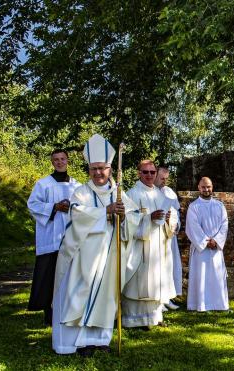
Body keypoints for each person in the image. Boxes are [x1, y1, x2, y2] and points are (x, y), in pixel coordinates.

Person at [52, 134, 140, 355]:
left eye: (102, 168)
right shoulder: (81, 192)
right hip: (85, 258)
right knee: (79, 296)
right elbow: (77, 215)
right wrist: (105, 212)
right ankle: (78, 343)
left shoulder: (119, 193)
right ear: (88, 170)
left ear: (110, 169)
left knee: (106, 298)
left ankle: (101, 341)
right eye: (94, 169)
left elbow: (134, 217)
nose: (98, 173)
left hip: (110, 256)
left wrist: (123, 215)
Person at [27, 149, 80, 326]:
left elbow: (85, 209)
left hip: (71, 238)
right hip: (50, 237)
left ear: (67, 161)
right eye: (56, 160)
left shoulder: (77, 186)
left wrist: (71, 207)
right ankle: (48, 314)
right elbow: (32, 204)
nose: (59, 162)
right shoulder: (43, 184)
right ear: (52, 162)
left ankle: (67, 311)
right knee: (49, 277)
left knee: (69, 276)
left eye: (62, 159)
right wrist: (54, 207)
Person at [122, 160, 178, 327]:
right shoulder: (132, 194)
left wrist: (169, 220)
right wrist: (148, 219)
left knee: (157, 280)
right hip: (142, 247)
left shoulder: (161, 194)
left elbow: (172, 216)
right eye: (145, 172)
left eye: (152, 172)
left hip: (159, 245)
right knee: (140, 284)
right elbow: (127, 222)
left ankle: (155, 317)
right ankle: (135, 320)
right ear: (139, 173)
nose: (149, 175)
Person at [185, 177, 229, 311]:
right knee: (201, 277)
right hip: (201, 250)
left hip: (216, 248)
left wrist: (216, 240)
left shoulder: (220, 206)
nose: (206, 189)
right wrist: (205, 241)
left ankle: (219, 304)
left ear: (212, 187)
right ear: (199, 187)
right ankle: (200, 305)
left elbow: (225, 224)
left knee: (216, 276)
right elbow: (192, 227)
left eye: (208, 186)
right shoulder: (193, 207)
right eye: (203, 187)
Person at [154, 166, 182, 310]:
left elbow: (176, 212)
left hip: (169, 236)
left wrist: (174, 223)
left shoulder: (169, 192)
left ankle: (168, 298)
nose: (164, 181)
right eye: (161, 178)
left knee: (169, 267)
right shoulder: (150, 192)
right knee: (157, 267)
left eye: (166, 178)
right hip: (155, 236)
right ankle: (157, 300)